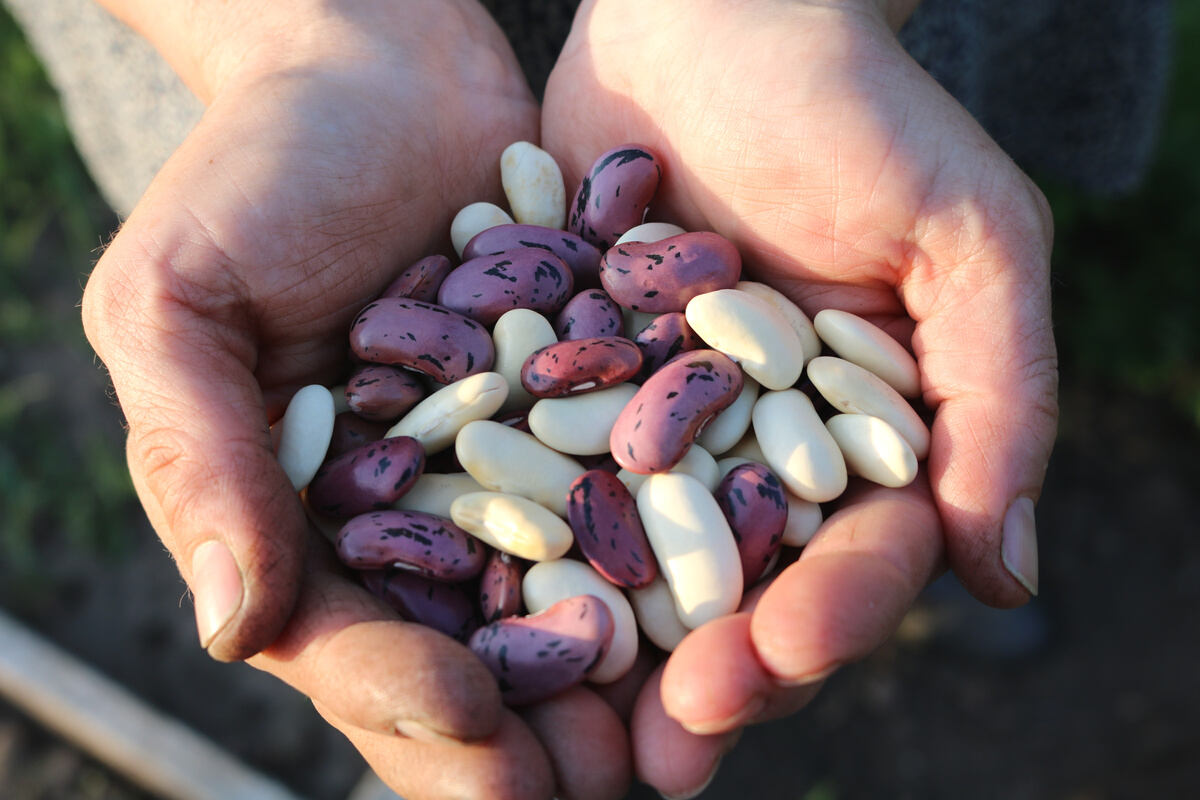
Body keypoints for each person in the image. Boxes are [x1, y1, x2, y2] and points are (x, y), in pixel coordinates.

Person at [6, 0, 1169, 796]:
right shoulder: (502, 340)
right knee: (709, 617)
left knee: (924, 459)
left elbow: (628, 410)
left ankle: (952, 573)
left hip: (831, 68)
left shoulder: (632, 327)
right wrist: (299, 30)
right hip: (291, 71)